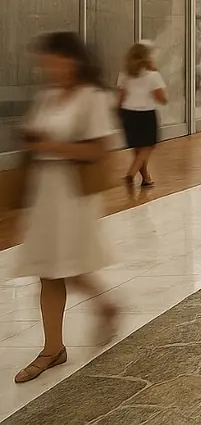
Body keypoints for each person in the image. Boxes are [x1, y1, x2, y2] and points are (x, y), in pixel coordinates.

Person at [13, 32, 120, 384]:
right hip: (45, 190)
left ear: (73, 60)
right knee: (48, 268)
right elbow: (36, 141)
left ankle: (105, 307)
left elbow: (98, 151)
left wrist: (49, 144)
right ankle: (53, 348)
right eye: (46, 63)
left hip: (74, 192)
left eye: (56, 61)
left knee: (69, 265)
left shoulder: (93, 98)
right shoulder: (47, 97)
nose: (50, 68)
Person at [116, 42, 167, 188]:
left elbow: (121, 96)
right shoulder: (153, 75)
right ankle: (131, 173)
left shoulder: (124, 75)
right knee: (148, 146)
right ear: (147, 58)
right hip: (145, 113)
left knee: (138, 149)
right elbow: (161, 98)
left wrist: (118, 114)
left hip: (127, 113)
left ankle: (146, 178)